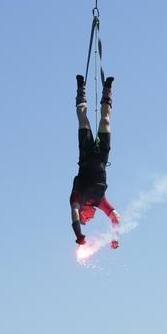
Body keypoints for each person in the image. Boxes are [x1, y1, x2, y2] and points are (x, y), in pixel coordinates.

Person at [70, 74, 120, 248]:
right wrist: (114, 238)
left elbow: (74, 212)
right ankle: (107, 89)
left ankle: (80, 88)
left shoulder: (77, 198)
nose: (89, 219)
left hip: (85, 155)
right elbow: (115, 217)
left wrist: (79, 234)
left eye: (85, 219)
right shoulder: (100, 201)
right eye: (86, 221)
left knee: (83, 119)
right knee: (105, 120)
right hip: (101, 157)